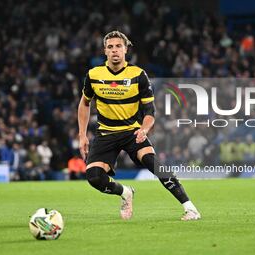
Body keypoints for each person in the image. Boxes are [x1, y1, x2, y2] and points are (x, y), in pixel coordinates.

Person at [78, 31, 200, 221]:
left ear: (126, 49)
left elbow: (150, 112)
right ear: (105, 51)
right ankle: (125, 192)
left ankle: (190, 208)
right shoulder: (94, 75)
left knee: (155, 165)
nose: (114, 50)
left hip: (132, 132)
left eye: (118, 46)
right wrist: (82, 135)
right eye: (110, 47)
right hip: (106, 133)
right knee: (94, 177)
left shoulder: (138, 75)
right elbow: (84, 103)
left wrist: (144, 129)